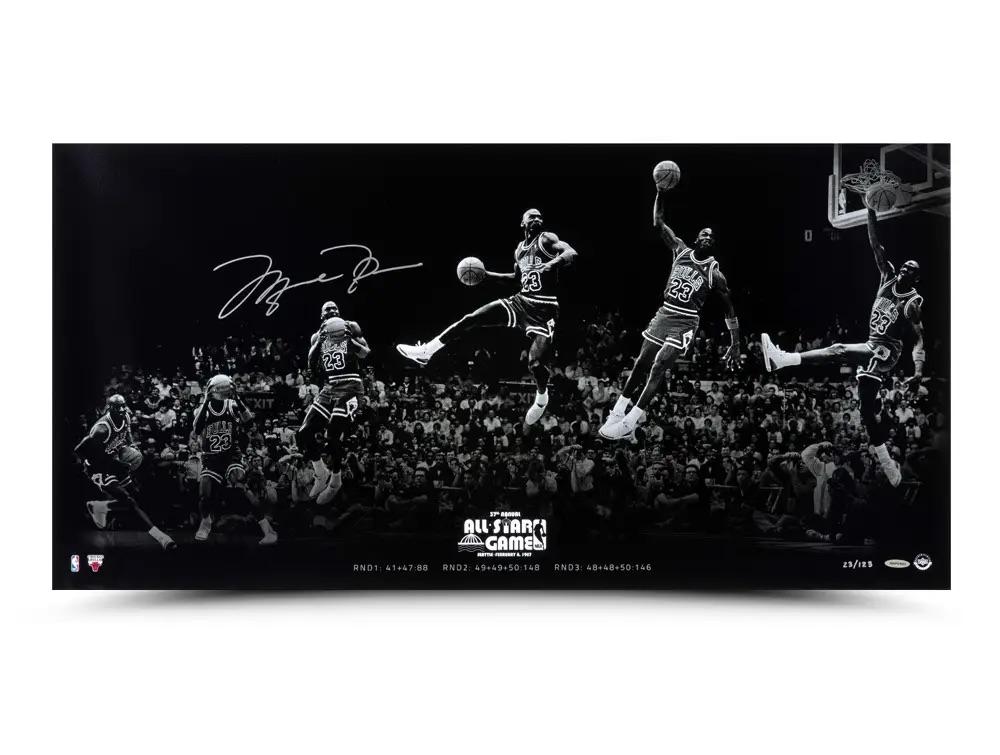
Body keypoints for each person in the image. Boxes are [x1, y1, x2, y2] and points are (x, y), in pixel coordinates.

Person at [760, 206, 925, 486]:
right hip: (872, 345)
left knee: (838, 350)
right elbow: (875, 244)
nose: (905, 269)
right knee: (866, 413)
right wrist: (870, 209)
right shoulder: (887, 276)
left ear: (915, 278)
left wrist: (918, 370)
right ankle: (889, 467)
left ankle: (782, 359)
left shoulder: (912, 302)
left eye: (911, 270)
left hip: (887, 352)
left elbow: (919, 338)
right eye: (905, 266)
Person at [396, 208, 579, 426]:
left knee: (535, 363)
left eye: (540, 216)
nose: (537, 219)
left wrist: (552, 263)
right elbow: (516, 279)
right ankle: (427, 351)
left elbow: (571, 253)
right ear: (523, 223)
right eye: (532, 217)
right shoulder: (519, 250)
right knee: (472, 318)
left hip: (544, 308)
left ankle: (541, 398)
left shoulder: (547, 239)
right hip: (521, 301)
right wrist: (486, 275)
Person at [601, 183, 741, 439]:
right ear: (696, 239)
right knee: (641, 363)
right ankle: (618, 412)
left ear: (714, 245)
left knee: (658, 367)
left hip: (685, 321)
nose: (708, 238)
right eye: (704, 234)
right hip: (665, 313)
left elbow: (729, 309)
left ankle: (631, 421)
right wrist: (660, 192)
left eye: (712, 237)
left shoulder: (715, 273)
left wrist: (735, 343)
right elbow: (658, 222)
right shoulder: (680, 250)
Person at [74, 394, 176, 550]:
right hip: (98, 468)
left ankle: (100, 507)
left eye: (123, 405)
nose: (122, 409)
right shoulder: (101, 429)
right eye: (118, 407)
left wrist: (132, 447)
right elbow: (79, 449)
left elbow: (126, 436)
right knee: (129, 500)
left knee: (134, 495)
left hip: (114, 460)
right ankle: (161, 537)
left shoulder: (126, 417)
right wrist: (117, 464)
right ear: (110, 408)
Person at [297, 301, 370, 504]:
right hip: (330, 387)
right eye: (327, 309)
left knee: (332, 435)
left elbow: (365, 353)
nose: (331, 311)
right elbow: (311, 367)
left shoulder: (351, 326)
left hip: (351, 386)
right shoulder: (317, 336)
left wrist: (349, 340)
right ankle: (321, 473)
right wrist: (319, 343)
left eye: (334, 308)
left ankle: (336, 480)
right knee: (303, 433)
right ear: (322, 315)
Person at [192, 374, 277, 545]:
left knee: (240, 484)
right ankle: (206, 521)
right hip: (211, 457)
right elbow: (197, 429)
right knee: (204, 494)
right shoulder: (202, 409)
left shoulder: (232, 405)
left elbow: (250, 423)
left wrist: (237, 397)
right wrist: (207, 400)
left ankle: (268, 531)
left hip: (231, 454)